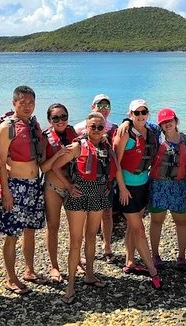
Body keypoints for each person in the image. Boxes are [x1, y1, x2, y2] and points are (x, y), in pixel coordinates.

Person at [51, 112, 120, 304]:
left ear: (104, 128)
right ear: (87, 128)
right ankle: (71, 284)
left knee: (91, 237)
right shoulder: (77, 146)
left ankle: (89, 274)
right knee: (76, 240)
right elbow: (56, 167)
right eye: (93, 127)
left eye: (100, 127)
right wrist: (69, 186)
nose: (97, 130)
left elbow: (115, 170)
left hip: (98, 195)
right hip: (79, 196)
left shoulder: (107, 148)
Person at [0, 85, 45, 295]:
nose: (27, 106)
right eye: (22, 102)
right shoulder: (8, 127)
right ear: (13, 103)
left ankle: (29, 270)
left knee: (30, 231)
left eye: (30, 102)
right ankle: (10, 278)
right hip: (16, 186)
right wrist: (6, 192)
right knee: (12, 234)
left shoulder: (34, 124)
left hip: (34, 185)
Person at [113, 99, 162, 288]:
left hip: (143, 184)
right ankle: (153, 271)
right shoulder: (125, 133)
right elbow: (116, 163)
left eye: (144, 112)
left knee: (132, 228)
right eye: (136, 113)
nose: (140, 116)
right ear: (130, 114)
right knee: (139, 229)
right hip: (128, 188)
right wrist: (122, 188)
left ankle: (130, 261)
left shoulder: (151, 132)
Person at [148, 108, 186, 271]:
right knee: (156, 221)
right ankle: (155, 255)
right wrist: (127, 122)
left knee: (181, 222)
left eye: (170, 120)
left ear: (176, 121)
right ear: (160, 124)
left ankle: (181, 256)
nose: (167, 124)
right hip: (159, 187)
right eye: (163, 122)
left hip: (179, 187)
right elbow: (139, 122)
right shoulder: (156, 138)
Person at [75, 94, 118, 262]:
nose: (103, 109)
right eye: (100, 105)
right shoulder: (80, 127)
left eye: (107, 106)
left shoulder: (114, 127)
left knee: (107, 213)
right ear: (93, 107)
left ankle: (107, 247)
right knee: (87, 214)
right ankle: (87, 246)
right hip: (87, 179)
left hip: (106, 178)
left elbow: (116, 153)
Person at [39, 103, 78, 283]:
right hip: (52, 188)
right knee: (53, 227)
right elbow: (44, 167)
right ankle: (54, 265)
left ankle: (75, 260)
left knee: (74, 229)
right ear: (49, 120)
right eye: (56, 118)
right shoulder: (45, 137)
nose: (60, 121)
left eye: (63, 117)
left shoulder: (73, 133)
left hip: (72, 186)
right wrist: (57, 155)